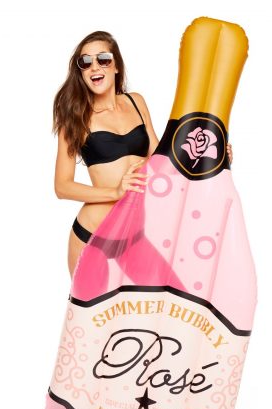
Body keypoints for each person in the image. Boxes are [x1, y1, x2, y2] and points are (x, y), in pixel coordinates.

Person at [52, 31, 233, 277]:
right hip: (93, 234)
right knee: (91, 305)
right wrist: (115, 192)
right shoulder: (76, 118)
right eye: (86, 62)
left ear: (116, 65)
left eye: (103, 59)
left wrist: (213, 160)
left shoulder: (136, 102)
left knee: (166, 296)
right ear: (81, 71)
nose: (94, 66)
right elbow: (62, 187)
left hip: (135, 233)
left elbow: (163, 164)